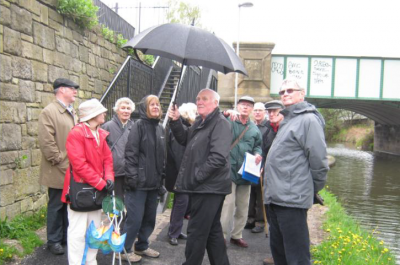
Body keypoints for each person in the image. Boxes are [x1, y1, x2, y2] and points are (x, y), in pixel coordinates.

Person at [263, 79, 329, 265]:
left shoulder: (308, 120)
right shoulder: (288, 120)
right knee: (280, 254)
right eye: (282, 91)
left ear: (302, 93)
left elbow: (319, 161)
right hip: (275, 198)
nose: (285, 93)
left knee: (297, 257)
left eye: (290, 90)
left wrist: (309, 188)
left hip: (291, 200)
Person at [168, 88, 232, 265]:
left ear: (215, 103)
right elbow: (184, 139)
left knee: (196, 232)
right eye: (198, 99)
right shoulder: (200, 122)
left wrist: (197, 176)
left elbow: (218, 157)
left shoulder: (220, 123)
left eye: (205, 98)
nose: (200, 101)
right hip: (205, 186)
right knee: (212, 231)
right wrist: (175, 121)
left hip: (209, 187)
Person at [61, 98, 115, 265]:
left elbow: (108, 159)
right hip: (80, 190)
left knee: (95, 232)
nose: (105, 113)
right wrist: (101, 183)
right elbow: (79, 165)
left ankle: (91, 261)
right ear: (93, 114)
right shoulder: (76, 133)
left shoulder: (99, 133)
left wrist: (109, 178)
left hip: (96, 189)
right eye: (101, 111)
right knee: (77, 233)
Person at [122, 95, 165, 263]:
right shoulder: (138, 126)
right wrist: (132, 178)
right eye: (151, 104)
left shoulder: (160, 128)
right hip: (138, 183)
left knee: (149, 217)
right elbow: (131, 153)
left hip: (153, 183)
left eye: (157, 104)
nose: (155, 107)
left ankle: (142, 246)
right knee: (134, 218)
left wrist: (161, 178)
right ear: (144, 108)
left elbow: (161, 157)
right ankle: (124, 249)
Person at [38, 78, 79, 255]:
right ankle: (53, 240)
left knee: (67, 203)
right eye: (72, 89)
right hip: (58, 168)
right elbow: (47, 142)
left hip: (71, 168)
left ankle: (63, 237)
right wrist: (60, 161)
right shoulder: (49, 111)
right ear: (61, 90)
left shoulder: (72, 112)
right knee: (56, 205)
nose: (75, 91)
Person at [220, 96, 262, 248]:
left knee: (243, 206)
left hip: (246, 172)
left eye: (248, 105)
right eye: (242, 105)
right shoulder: (228, 121)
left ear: (251, 109)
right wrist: (225, 112)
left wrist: (258, 154)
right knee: (228, 205)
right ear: (237, 107)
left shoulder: (254, 129)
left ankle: (237, 235)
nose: (245, 107)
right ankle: (222, 235)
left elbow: (258, 146)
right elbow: (215, 119)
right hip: (229, 169)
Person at [165, 103, 197, 246]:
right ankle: (173, 233)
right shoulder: (182, 128)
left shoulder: (184, 128)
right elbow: (179, 156)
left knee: (181, 204)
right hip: (180, 175)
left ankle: (175, 231)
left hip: (181, 174)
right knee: (181, 204)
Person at [261, 100, 285, 265]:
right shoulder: (268, 130)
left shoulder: (287, 130)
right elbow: (263, 151)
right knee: (273, 220)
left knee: (286, 222)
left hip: (285, 183)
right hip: (269, 181)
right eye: (269, 112)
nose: (271, 114)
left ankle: (287, 257)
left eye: (275, 111)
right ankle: (276, 256)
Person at [102, 97, 135, 203]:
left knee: (130, 201)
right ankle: (119, 219)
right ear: (117, 110)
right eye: (123, 108)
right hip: (114, 171)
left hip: (130, 171)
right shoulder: (107, 126)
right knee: (117, 201)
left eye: (128, 108)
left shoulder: (134, 127)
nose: (126, 111)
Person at [246, 102, 269, 234]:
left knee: (261, 195)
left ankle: (260, 221)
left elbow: (268, 149)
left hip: (262, 165)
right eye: (255, 111)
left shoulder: (268, 128)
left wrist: (264, 165)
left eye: (260, 110)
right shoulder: (250, 126)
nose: (257, 113)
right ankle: (250, 219)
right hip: (251, 164)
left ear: (264, 112)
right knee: (250, 193)